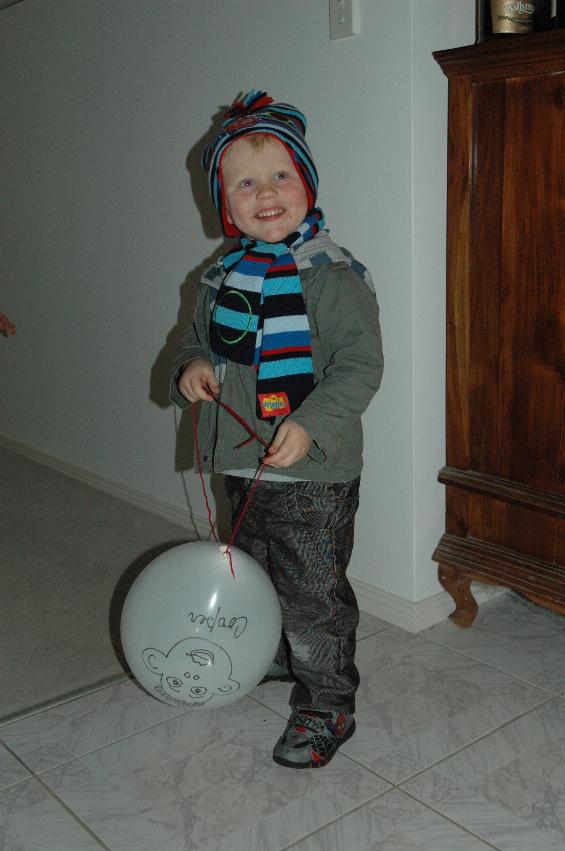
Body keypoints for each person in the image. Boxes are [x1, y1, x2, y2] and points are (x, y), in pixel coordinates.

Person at [170, 90, 383, 768]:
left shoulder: (332, 275)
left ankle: (328, 705)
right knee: (258, 570)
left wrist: (309, 420)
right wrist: (193, 364)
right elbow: (194, 337)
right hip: (242, 461)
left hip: (314, 472)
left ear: (307, 184)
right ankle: (275, 653)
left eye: (280, 175)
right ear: (224, 205)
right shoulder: (218, 277)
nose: (264, 192)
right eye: (244, 182)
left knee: (312, 590)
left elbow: (358, 366)